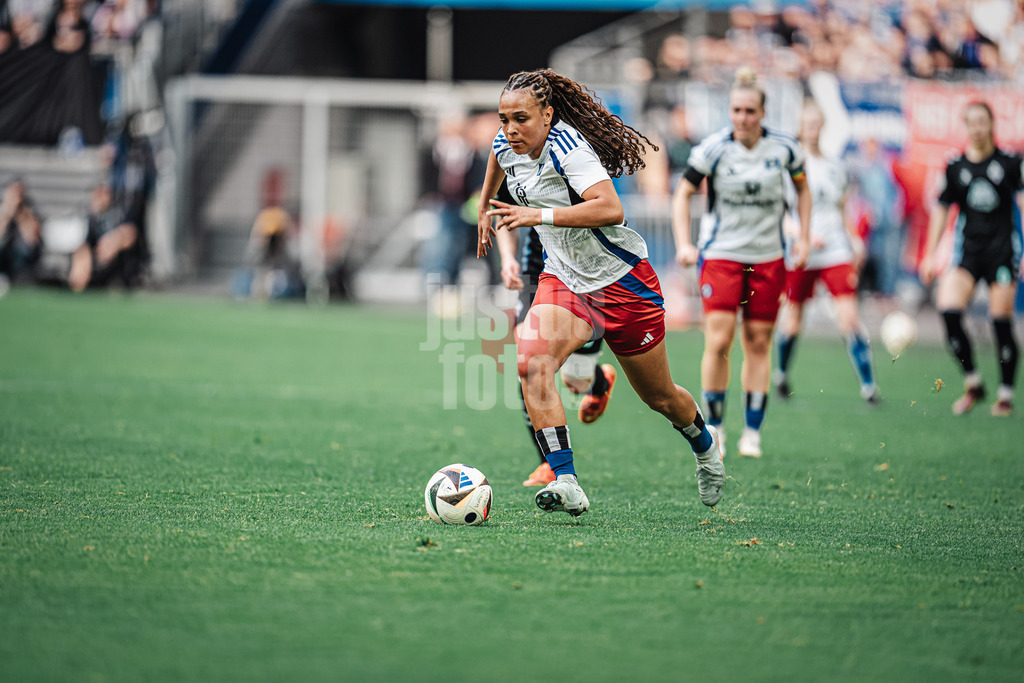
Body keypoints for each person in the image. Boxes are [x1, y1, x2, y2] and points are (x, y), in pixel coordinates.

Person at [477, 68, 725, 517]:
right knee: (532, 365)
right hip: (566, 280)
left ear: (548, 115)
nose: (510, 129)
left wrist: (539, 215)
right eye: (503, 119)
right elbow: (495, 166)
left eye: (521, 119)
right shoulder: (503, 145)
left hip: (624, 284)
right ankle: (566, 479)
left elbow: (612, 208)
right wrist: (483, 212)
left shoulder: (568, 146)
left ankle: (706, 449)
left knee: (661, 398)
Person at [671, 67, 811, 459]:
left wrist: (802, 232)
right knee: (718, 340)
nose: (743, 118)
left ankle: (752, 432)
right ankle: (716, 429)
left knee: (759, 342)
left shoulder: (785, 149)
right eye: (737, 110)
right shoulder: (712, 149)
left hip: (768, 258)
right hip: (722, 257)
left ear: (763, 113)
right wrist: (685, 243)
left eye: (750, 110)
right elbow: (681, 194)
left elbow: (803, 190)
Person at [494, 220, 618, 488]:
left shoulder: (583, 176)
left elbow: (609, 211)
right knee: (527, 362)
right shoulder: (514, 175)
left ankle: (599, 381)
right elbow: (502, 214)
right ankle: (549, 464)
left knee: (576, 381)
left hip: (586, 272)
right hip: (538, 271)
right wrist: (507, 259)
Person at [774, 101, 880, 404]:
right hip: (803, 251)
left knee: (849, 317)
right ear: (799, 126)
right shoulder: (788, 166)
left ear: (822, 125)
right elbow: (780, 213)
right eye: (807, 122)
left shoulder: (836, 166)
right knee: (793, 322)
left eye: (816, 122)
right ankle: (781, 374)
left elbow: (842, 208)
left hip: (835, 250)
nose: (812, 127)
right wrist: (801, 233)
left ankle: (869, 386)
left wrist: (854, 240)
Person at [921, 101, 1022, 416]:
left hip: (1003, 251)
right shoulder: (955, 166)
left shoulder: (1009, 163)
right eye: (972, 122)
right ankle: (974, 382)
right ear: (966, 126)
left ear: (992, 124)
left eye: (983, 121)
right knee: (949, 310)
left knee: (999, 320)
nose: (977, 128)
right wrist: (929, 254)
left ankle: (1005, 394)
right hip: (968, 252)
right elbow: (941, 210)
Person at [68, 183, 139, 292]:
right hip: (98, 270)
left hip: (121, 270)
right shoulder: (93, 219)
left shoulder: (120, 213)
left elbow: (131, 233)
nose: (96, 198)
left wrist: (115, 240)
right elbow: (86, 245)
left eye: (101, 194)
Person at [0, 178, 43, 285]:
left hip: (20, 259)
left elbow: (31, 240)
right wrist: (7, 213)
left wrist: (21, 215)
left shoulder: (29, 210)